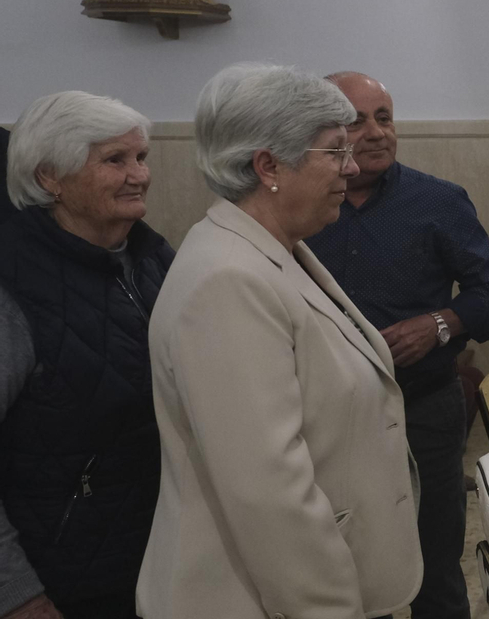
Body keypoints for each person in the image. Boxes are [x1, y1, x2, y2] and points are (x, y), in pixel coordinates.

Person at [136, 64, 424, 619]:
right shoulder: (227, 280)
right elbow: (269, 493)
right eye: (335, 152)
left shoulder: (278, 249)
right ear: (267, 164)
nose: (352, 167)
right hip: (259, 599)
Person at [305, 71, 489, 619]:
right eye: (355, 120)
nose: (375, 133)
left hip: (422, 407)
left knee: (434, 568)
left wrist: (442, 323)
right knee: (337, 567)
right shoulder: (296, 209)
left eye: (385, 117)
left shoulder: (438, 201)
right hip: (325, 416)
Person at [0, 93, 171, 619]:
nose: (138, 175)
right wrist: (17, 593)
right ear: (50, 176)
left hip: (164, 556)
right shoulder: (13, 285)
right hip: (68, 580)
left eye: (140, 158)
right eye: (114, 161)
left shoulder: (156, 258)